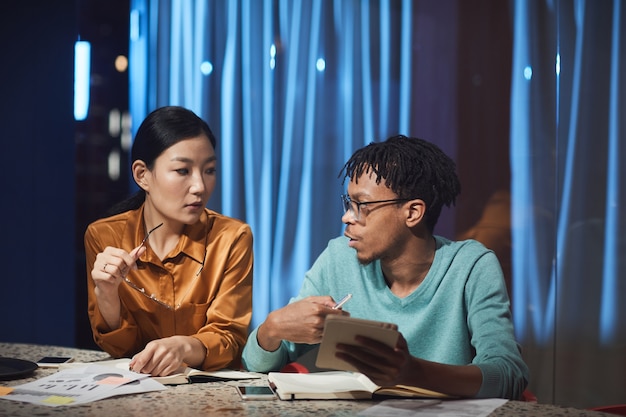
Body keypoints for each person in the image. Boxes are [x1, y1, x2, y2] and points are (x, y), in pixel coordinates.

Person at [241, 134, 529, 399]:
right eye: (348, 203)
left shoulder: (470, 266)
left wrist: (413, 372)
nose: (347, 218)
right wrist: (272, 328)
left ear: (413, 212)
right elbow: (255, 366)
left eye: (361, 205)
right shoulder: (339, 257)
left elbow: (508, 375)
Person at [85, 106, 253, 376]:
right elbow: (119, 350)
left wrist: (183, 348)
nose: (200, 186)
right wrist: (107, 294)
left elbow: (229, 339)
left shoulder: (231, 238)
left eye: (209, 170)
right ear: (142, 175)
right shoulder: (105, 237)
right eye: (183, 171)